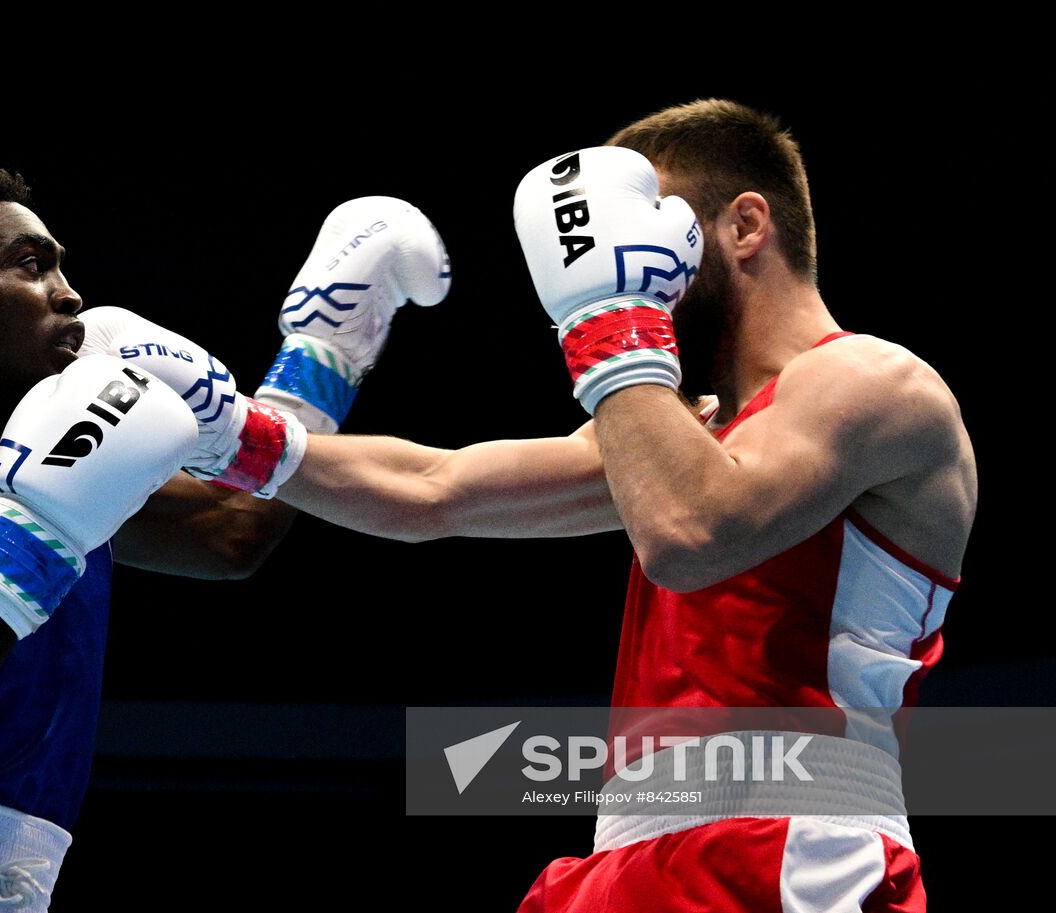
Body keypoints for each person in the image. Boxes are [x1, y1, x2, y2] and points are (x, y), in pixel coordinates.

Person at [136, 100, 976, 909]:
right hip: (624, 858)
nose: (638, 259)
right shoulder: (685, 426)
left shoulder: (875, 382)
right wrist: (224, 430)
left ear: (746, 226)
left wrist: (610, 317)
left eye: (655, 224)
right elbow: (438, 491)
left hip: (793, 846)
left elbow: (690, 535)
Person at [0, 165, 448, 912]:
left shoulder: (60, 453)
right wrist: (44, 527)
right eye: (30, 264)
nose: (69, 292)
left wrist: (326, 341)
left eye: (60, 263)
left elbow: (234, 529)